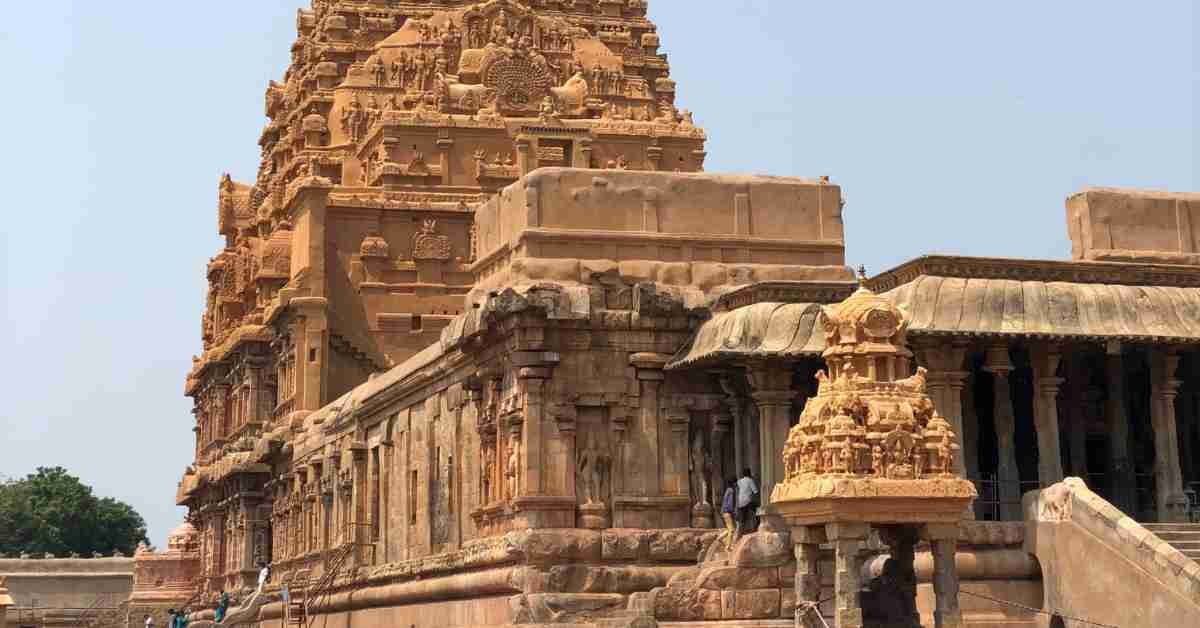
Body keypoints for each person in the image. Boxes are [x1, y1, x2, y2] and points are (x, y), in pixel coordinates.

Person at [736, 468, 759, 533]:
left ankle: (742, 531)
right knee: (757, 510)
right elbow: (755, 492)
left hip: (740, 502)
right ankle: (756, 525)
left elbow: (738, 488)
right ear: (749, 474)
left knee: (743, 518)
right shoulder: (750, 480)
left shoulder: (739, 481)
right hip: (748, 501)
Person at [720, 477, 738, 550]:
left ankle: (720, 538)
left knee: (729, 528)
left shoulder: (727, 490)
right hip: (727, 512)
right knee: (731, 530)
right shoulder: (731, 491)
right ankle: (728, 546)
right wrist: (733, 512)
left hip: (724, 512)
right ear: (734, 483)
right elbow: (730, 504)